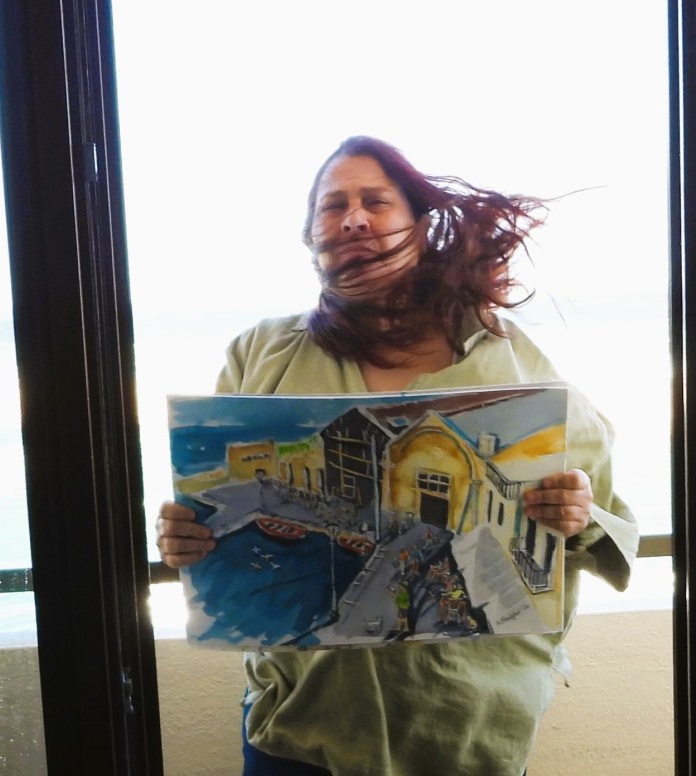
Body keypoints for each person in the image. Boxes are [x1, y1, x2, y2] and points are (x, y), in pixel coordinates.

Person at [157, 136, 639, 776]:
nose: (353, 217)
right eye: (333, 206)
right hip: (301, 724)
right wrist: (183, 537)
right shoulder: (262, 353)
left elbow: (603, 522)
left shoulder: (510, 360)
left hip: (466, 726)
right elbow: (214, 506)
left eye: (375, 201)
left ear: (418, 223)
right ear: (311, 236)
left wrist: (575, 515)